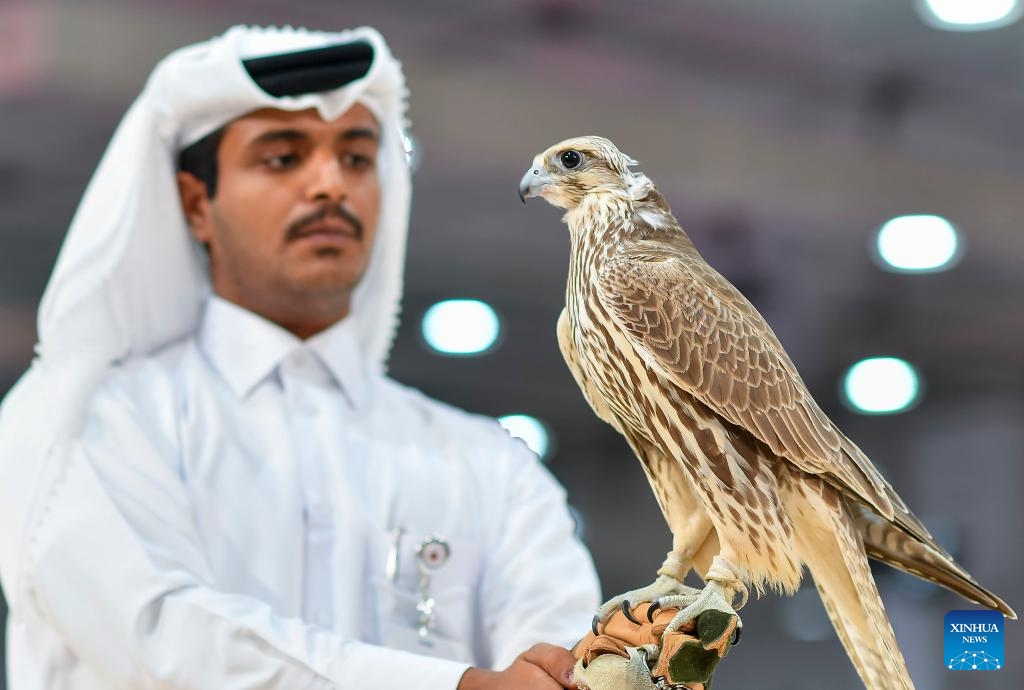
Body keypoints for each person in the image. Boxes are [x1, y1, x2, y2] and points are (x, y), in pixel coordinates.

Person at [0, 25, 600, 690]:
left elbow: (563, 653)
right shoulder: (87, 423)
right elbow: (163, 640)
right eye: (283, 157)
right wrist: (453, 685)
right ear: (197, 204)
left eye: (356, 157)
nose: (329, 186)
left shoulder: (490, 466)